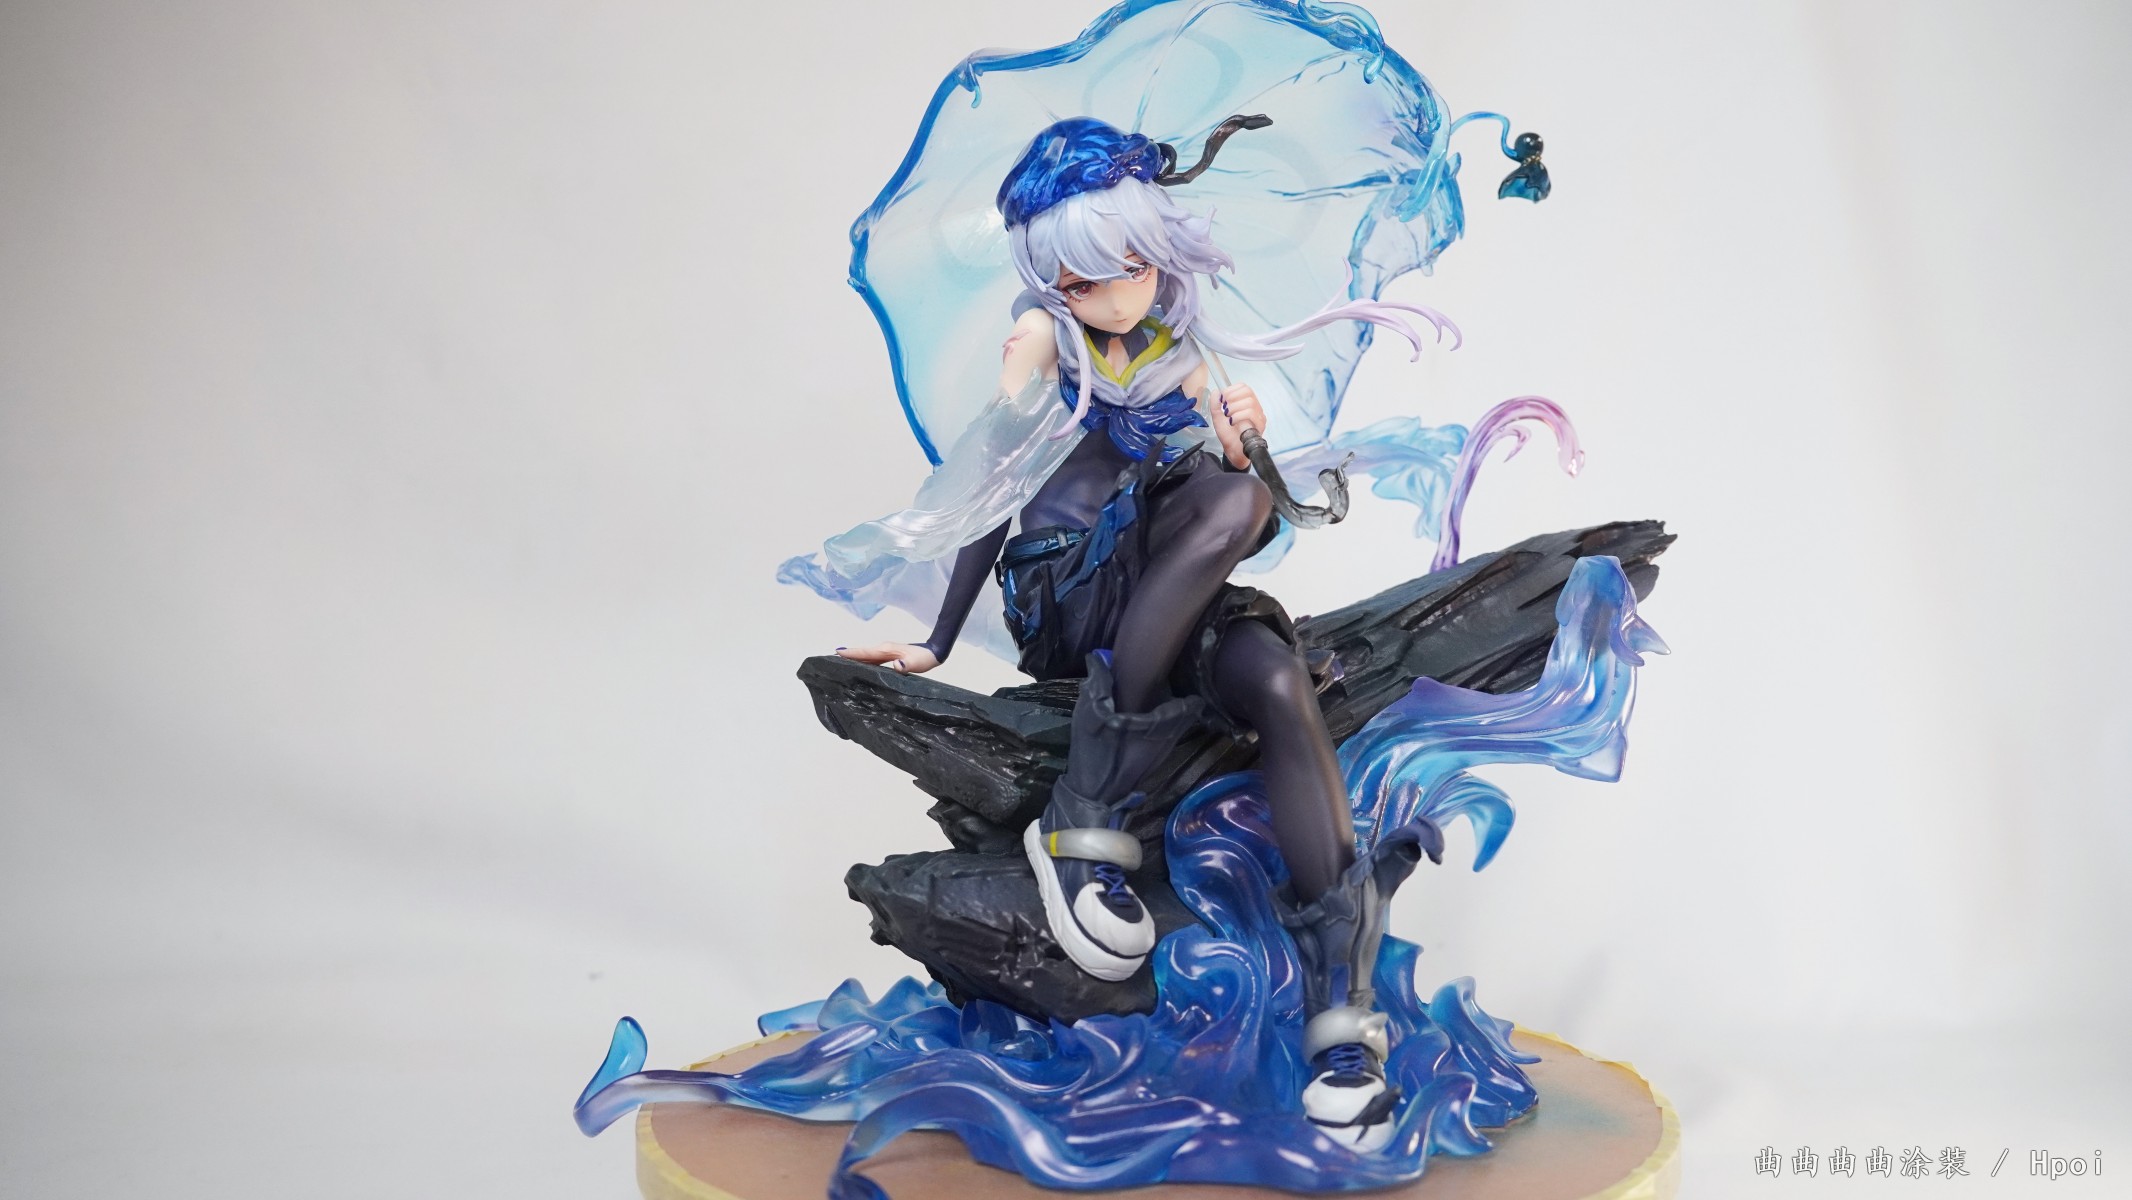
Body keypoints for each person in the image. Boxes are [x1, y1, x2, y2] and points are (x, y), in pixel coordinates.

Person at [818, 117, 1449, 1150]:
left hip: (1169, 596)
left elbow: (1243, 521)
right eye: (1082, 280)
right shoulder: (1040, 344)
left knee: (1278, 680)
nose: (1112, 297)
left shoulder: (1187, 356)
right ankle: (1086, 814)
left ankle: (1341, 1025)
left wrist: (1243, 448)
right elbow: (989, 493)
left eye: (1131, 268)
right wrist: (937, 640)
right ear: (1050, 282)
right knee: (1229, 506)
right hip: (1073, 593)